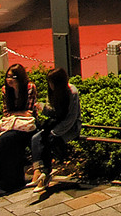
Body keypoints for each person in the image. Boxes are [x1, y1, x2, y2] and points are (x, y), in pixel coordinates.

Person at [0, 64, 37, 194]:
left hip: (27, 127)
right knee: (6, 139)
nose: (9, 79)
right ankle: (10, 181)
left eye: (13, 77)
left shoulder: (30, 87)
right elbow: (6, 112)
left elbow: (30, 112)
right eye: (7, 76)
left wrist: (16, 113)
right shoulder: (5, 90)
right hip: (13, 126)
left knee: (5, 139)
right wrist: (19, 113)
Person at [28, 67, 79, 197]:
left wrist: (55, 132)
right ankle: (39, 171)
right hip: (56, 124)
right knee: (36, 138)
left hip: (69, 128)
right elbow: (53, 113)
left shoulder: (71, 92)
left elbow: (71, 118)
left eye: (52, 82)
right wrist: (43, 108)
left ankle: (44, 174)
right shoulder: (53, 92)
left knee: (48, 140)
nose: (50, 85)